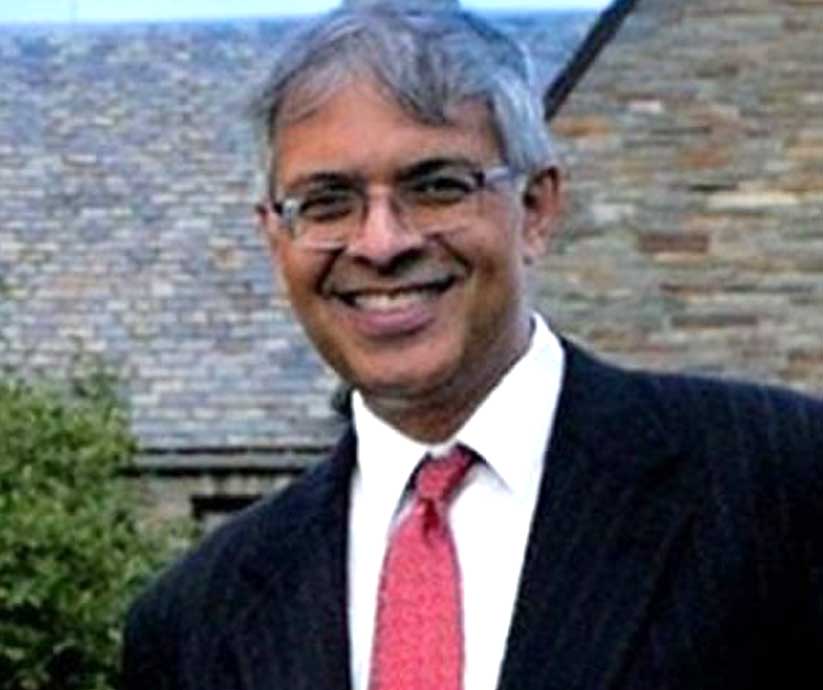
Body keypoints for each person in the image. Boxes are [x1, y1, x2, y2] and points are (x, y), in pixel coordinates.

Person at [122, 5, 823, 690]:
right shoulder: (192, 624)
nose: (381, 242)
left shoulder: (779, 482)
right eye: (327, 202)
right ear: (275, 238)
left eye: (436, 187)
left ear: (536, 208)